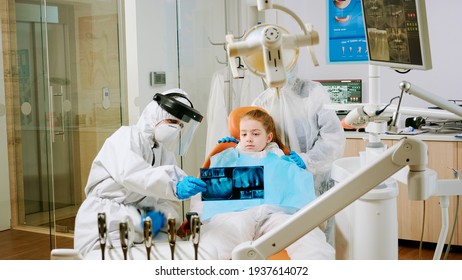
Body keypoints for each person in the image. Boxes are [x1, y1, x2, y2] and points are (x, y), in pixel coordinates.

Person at [74, 88, 208, 257]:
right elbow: (133, 174)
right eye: (172, 122)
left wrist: (165, 217)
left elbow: (167, 199)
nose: (177, 129)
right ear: (155, 115)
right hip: (109, 218)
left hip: (141, 221)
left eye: (180, 125)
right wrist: (174, 184)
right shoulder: (127, 136)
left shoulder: (164, 152)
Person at [191, 108, 335, 260]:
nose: (248, 139)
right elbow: (206, 193)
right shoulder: (227, 156)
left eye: (255, 134)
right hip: (237, 214)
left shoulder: (283, 159)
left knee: (311, 243)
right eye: (244, 134)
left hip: (276, 214)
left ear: (268, 137)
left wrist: (301, 165)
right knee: (212, 246)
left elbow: (299, 193)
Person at [251, 69, 346, 245]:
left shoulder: (312, 93)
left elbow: (333, 138)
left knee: (317, 239)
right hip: (279, 185)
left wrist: (307, 160)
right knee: (284, 239)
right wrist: (240, 145)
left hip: (314, 180)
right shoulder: (262, 101)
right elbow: (255, 140)